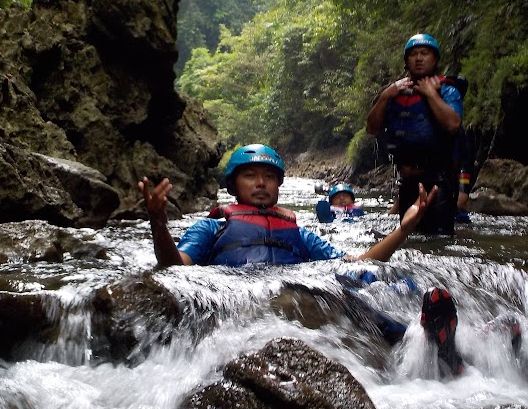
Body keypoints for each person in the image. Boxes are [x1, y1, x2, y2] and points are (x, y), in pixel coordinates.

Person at [139, 144, 465, 375]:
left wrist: (404, 229)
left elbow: (360, 262)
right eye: (250, 175)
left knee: (367, 281)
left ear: (280, 184)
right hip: (241, 305)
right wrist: (158, 224)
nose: (261, 182)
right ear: (233, 184)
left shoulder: (300, 234)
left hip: (297, 300)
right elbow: (175, 269)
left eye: (268, 176)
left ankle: (424, 338)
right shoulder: (214, 225)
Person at [366, 33, 467, 235]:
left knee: (437, 243)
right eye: (413, 54)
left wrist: (430, 94)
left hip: (438, 184)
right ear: (406, 61)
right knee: (407, 242)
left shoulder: (446, 91)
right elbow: (372, 128)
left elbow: (453, 124)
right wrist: (385, 96)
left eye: (424, 53)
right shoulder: (396, 92)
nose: (419, 58)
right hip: (408, 185)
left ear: (435, 59)